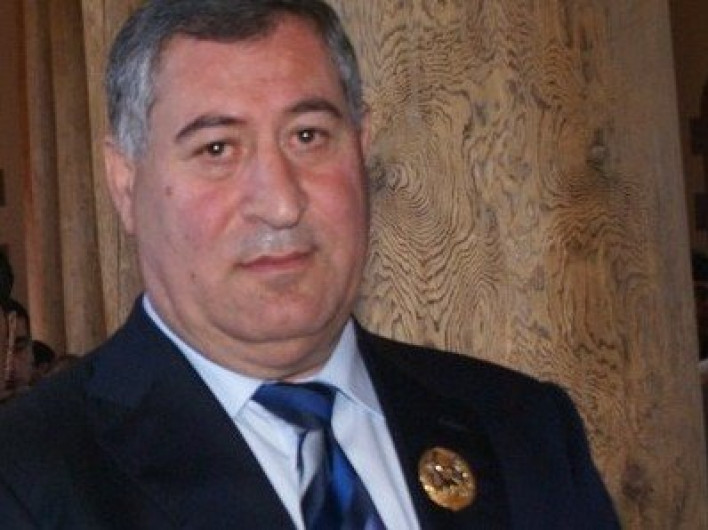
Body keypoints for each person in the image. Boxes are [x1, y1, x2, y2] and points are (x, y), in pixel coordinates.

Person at [0, 1, 619, 528]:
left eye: (308, 136)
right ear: (125, 183)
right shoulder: (29, 480)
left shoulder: (522, 430)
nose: (281, 202)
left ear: (362, 147)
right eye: (217, 148)